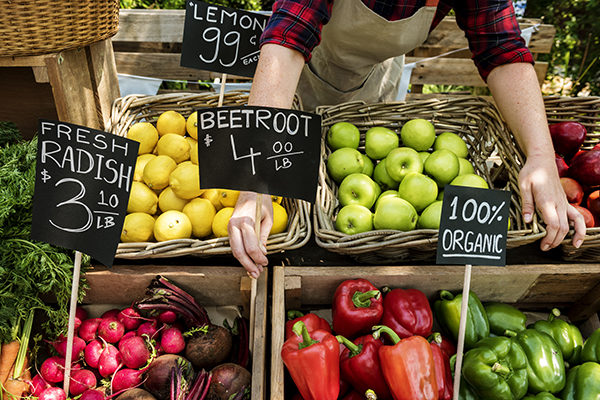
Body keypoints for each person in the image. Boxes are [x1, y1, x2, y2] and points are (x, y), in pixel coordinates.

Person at [227, 0, 587, 278]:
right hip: (303, 73)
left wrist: (541, 157)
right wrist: (255, 176)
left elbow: (502, 48)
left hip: (376, 74)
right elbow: (289, 35)